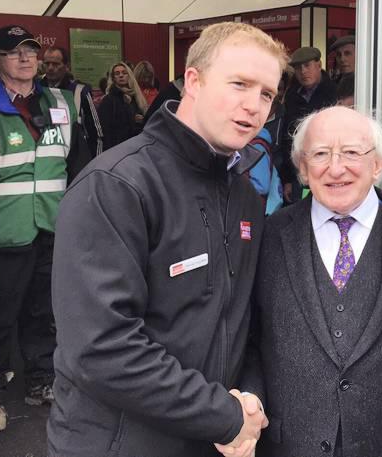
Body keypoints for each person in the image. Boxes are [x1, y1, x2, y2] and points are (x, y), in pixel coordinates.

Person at [48, 22, 283, 457]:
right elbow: (101, 348)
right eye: (239, 84)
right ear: (193, 80)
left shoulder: (245, 196)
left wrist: (249, 398)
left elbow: (244, 320)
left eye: (267, 94)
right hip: (119, 444)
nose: (254, 105)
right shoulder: (117, 185)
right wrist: (224, 416)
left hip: (212, 437)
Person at [240, 106, 382, 457]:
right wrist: (250, 397)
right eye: (320, 154)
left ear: (377, 164)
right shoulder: (269, 237)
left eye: (351, 153)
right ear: (302, 169)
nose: (336, 168)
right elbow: (251, 342)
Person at [0, 25, 88, 434]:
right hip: (0, 234)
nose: (25, 58)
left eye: (31, 51)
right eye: (14, 51)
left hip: (53, 228)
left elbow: (80, 168)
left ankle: (42, 378)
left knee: (45, 311)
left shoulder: (63, 102)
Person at [281, 46, 337, 202]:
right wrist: (287, 179)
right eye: (298, 68)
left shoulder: (333, 92)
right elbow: (287, 139)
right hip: (299, 171)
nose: (303, 71)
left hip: (328, 168)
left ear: (319, 65)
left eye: (307, 65)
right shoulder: (292, 96)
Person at [40, 45, 104, 157]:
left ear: (66, 66)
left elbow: (96, 132)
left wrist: (97, 161)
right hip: (43, 154)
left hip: (73, 156)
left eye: (56, 64)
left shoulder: (80, 91)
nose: (50, 68)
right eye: (47, 63)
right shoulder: (35, 89)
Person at [98, 61, 149, 149]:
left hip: (136, 146)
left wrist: (141, 121)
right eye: (117, 74)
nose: (121, 75)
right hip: (117, 147)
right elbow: (105, 129)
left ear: (129, 76)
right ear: (113, 78)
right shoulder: (108, 100)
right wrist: (132, 119)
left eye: (124, 73)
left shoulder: (136, 97)